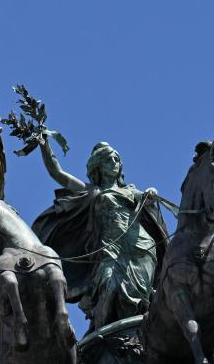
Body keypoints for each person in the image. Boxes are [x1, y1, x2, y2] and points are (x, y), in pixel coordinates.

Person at [31, 138, 168, 333]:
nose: (114, 163)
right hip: (110, 250)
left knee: (141, 295)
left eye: (116, 160)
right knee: (109, 287)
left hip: (141, 248)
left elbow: (146, 199)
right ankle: (99, 335)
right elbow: (58, 173)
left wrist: (150, 193)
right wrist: (45, 145)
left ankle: (142, 333)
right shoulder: (92, 191)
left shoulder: (130, 191)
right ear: (98, 166)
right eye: (108, 160)